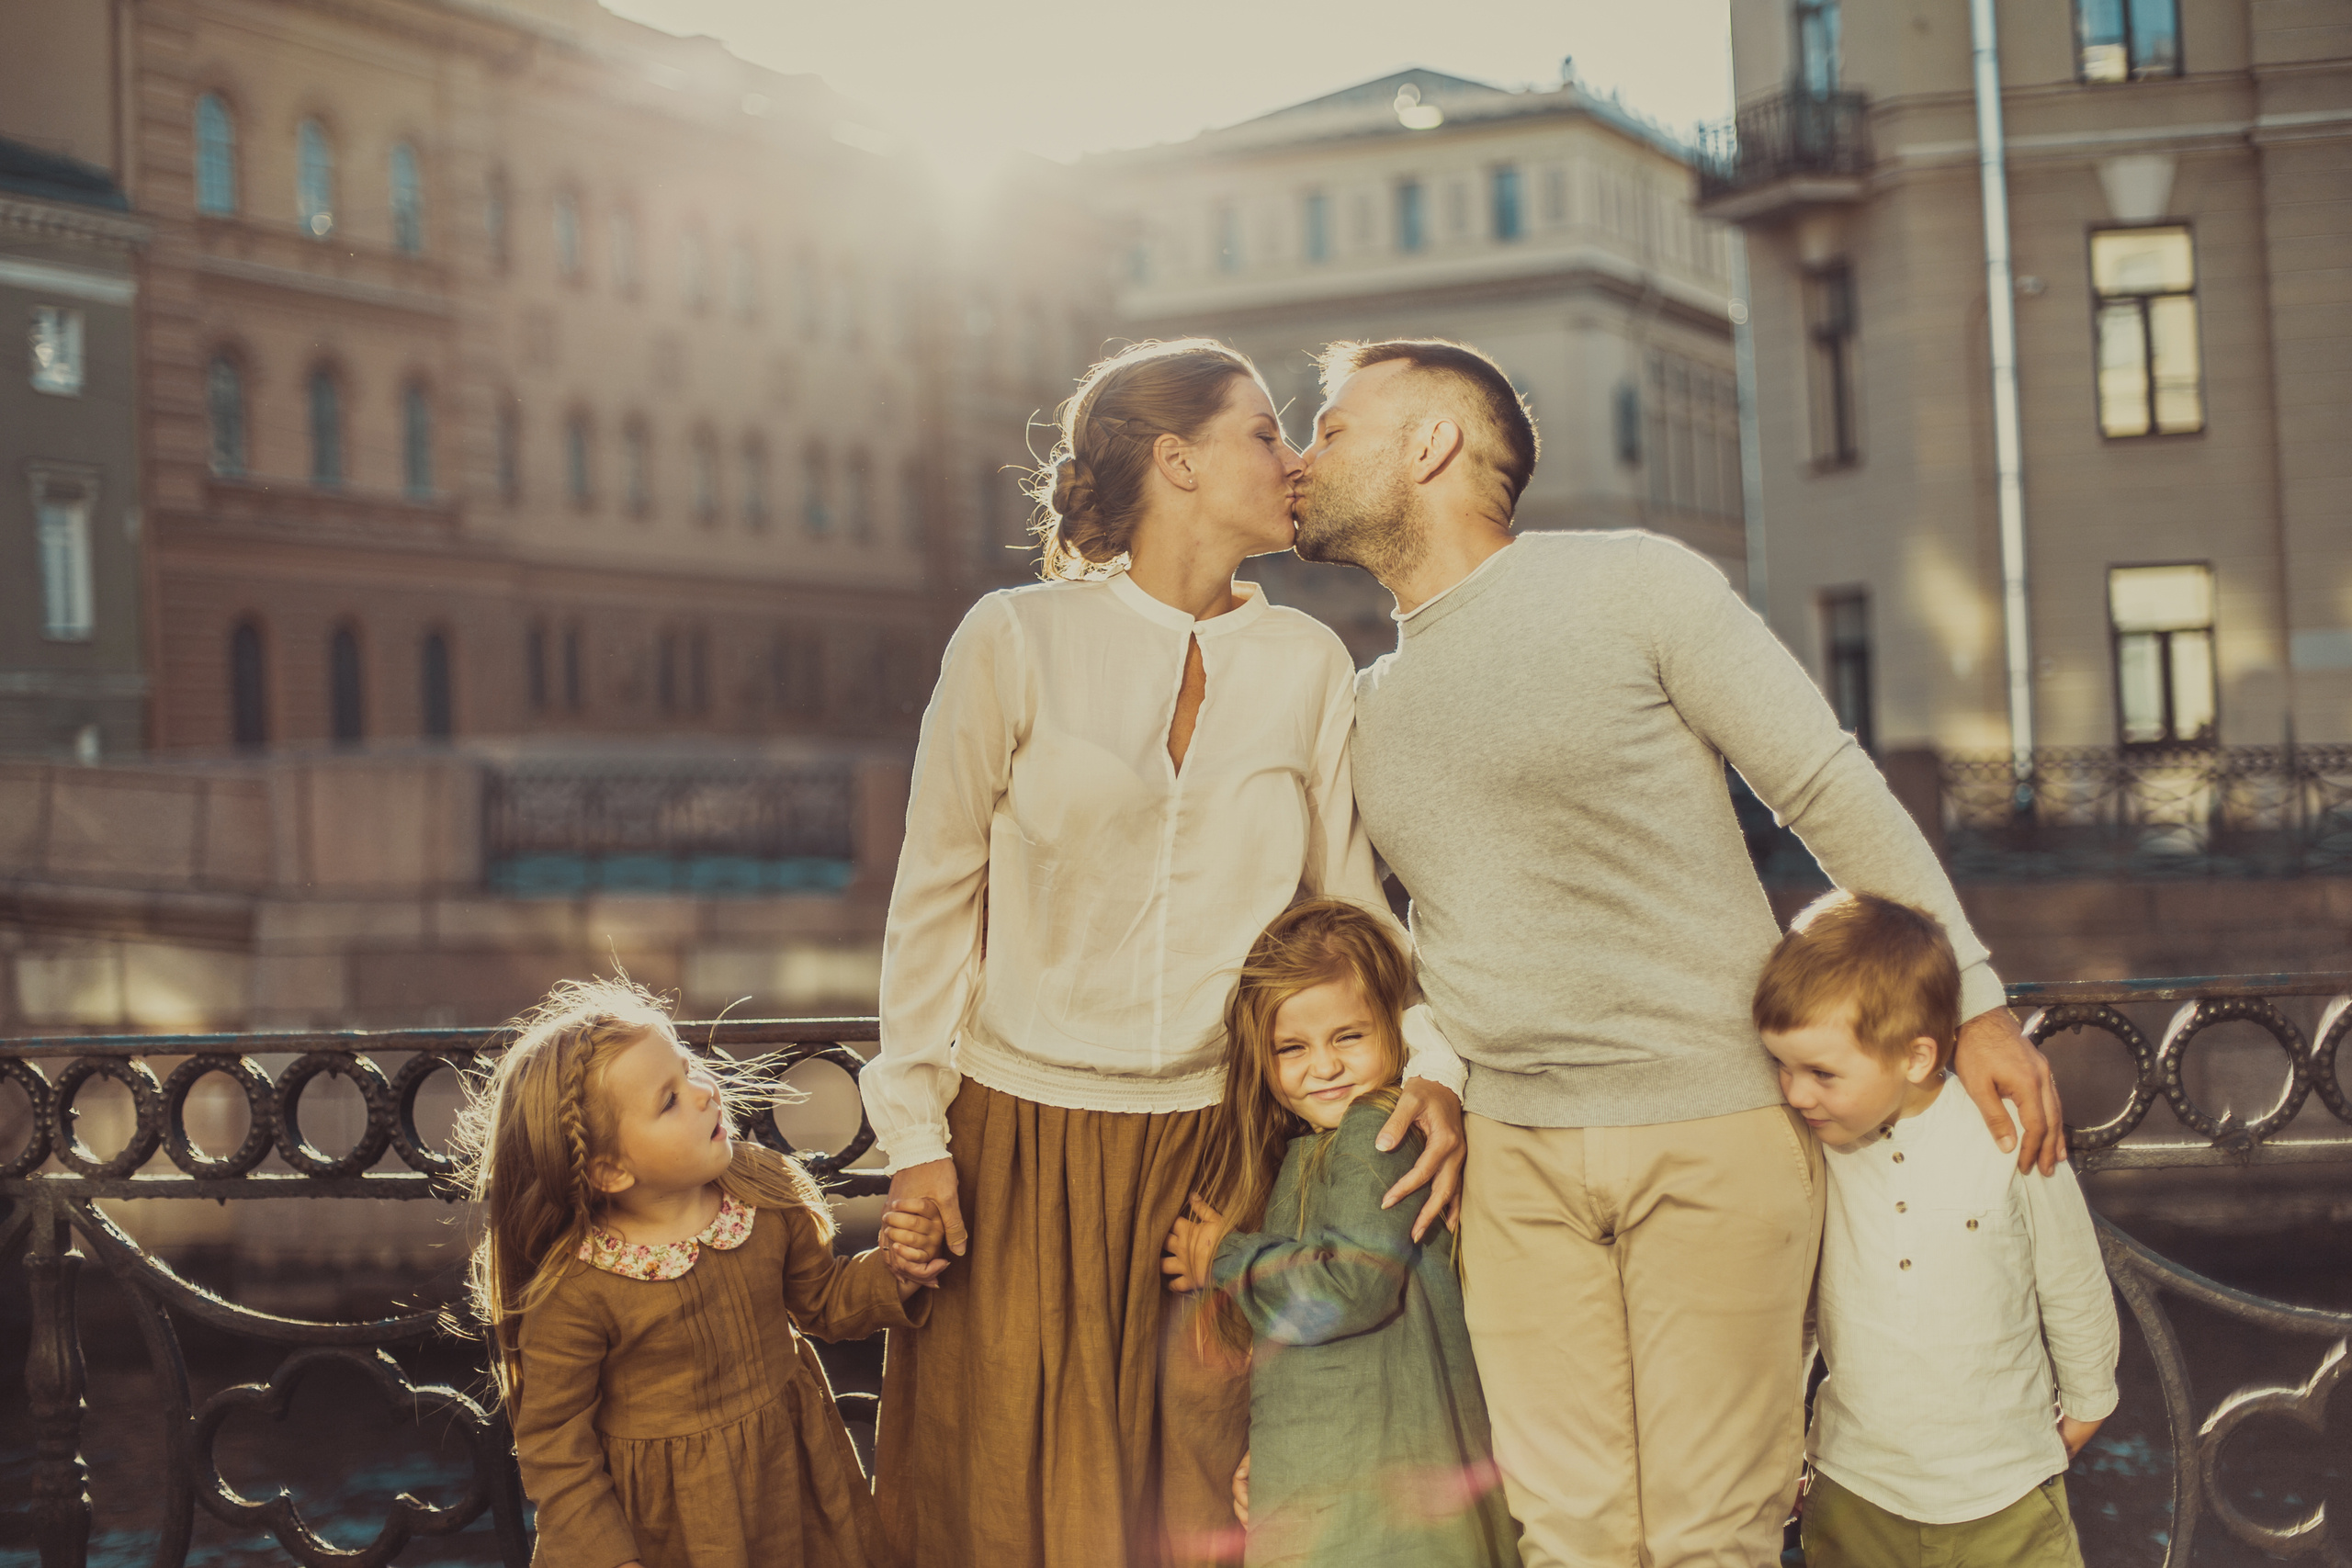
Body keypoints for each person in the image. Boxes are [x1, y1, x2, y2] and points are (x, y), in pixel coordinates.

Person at [1289, 336, 2064, 1567]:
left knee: (1718, 1532)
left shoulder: (1635, 583)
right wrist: (1433, 1063)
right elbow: (1407, 928)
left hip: (1715, 1126)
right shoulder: (1366, 700)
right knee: (1568, 1537)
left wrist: (1970, 995)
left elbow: (1820, 782)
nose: (1302, 454)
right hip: (1515, 1162)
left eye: (1330, 427)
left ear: (1430, 443)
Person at [865, 338, 1468, 1568]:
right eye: (1265, 432)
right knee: (1010, 1496)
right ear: (1175, 459)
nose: (1295, 458)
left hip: (1224, 1151)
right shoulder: (1013, 635)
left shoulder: (1307, 662)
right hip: (1019, 1144)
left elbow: (1353, 912)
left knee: (1204, 1497)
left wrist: (1438, 1066)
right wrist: (917, 1136)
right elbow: (933, 891)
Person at [455, 976, 947, 1568]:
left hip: (793, 1488)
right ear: (609, 1171)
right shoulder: (578, 1290)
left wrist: (898, 1268)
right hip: (667, 1529)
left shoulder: (761, 1190)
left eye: (687, 1067)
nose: (704, 1092)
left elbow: (823, 1299)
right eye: (668, 1099)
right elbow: (558, 1453)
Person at [1755, 891, 2118, 1567]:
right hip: (1857, 1490)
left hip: (2005, 1491)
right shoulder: (1815, 1147)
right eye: (1783, 1064)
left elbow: (2069, 1271)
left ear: (1916, 1057)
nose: (1796, 1092)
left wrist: (2090, 1394)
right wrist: (1781, 1442)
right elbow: (1796, 1312)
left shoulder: (2005, 1131)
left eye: (1821, 1072)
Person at [1164, 897, 1520, 1568]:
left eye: (1348, 1036)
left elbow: (1352, 1287)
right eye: (1291, 1048)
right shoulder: (1313, 1149)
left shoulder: (1376, 1130)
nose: (1323, 1066)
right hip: (1339, 1494)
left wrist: (1222, 1255)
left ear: (1395, 1026)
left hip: (1386, 1518)